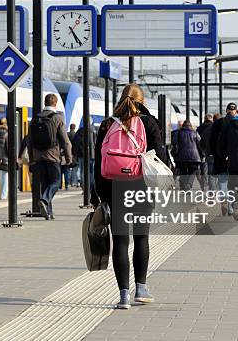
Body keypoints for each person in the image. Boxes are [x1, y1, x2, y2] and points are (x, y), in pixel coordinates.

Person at [95, 83, 169, 310]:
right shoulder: (149, 123)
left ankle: (123, 295)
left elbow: (98, 162)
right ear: (142, 101)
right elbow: (160, 156)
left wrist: (99, 194)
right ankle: (141, 288)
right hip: (142, 186)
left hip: (114, 187)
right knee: (141, 238)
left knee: (120, 241)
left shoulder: (108, 124)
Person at [28, 93, 72, 220]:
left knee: (46, 184)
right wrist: (68, 158)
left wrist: (31, 158)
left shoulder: (35, 119)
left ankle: (48, 212)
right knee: (56, 182)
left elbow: (29, 141)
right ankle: (45, 200)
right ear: (55, 103)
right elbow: (65, 140)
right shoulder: (57, 118)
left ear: (45, 103)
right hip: (52, 156)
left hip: (38, 157)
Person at [209, 104, 237, 215]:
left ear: (226, 111)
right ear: (235, 112)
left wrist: (214, 154)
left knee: (222, 183)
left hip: (220, 158)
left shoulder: (217, 123)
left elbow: (211, 141)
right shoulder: (237, 123)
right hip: (234, 160)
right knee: (234, 184)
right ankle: (231, 207)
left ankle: (224, 202)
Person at [173, 120, 203, 190]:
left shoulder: (178, 133)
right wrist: (202, 155)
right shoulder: (195, 133)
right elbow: (200, 145)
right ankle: (188, 185)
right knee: (193, 171)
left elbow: (174, 144)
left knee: (183, 171)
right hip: (194, 158)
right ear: (190, 126)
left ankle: (184, 185)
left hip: (181, 157)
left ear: (183, 125)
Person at [196, 114, 213, 190]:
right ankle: (208, 185)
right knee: (209, 169)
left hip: (201, 151)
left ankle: (203, 184)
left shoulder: (199, 128)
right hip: (210, 152)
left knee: (202, 169)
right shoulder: (213, 127)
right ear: (211, 119)